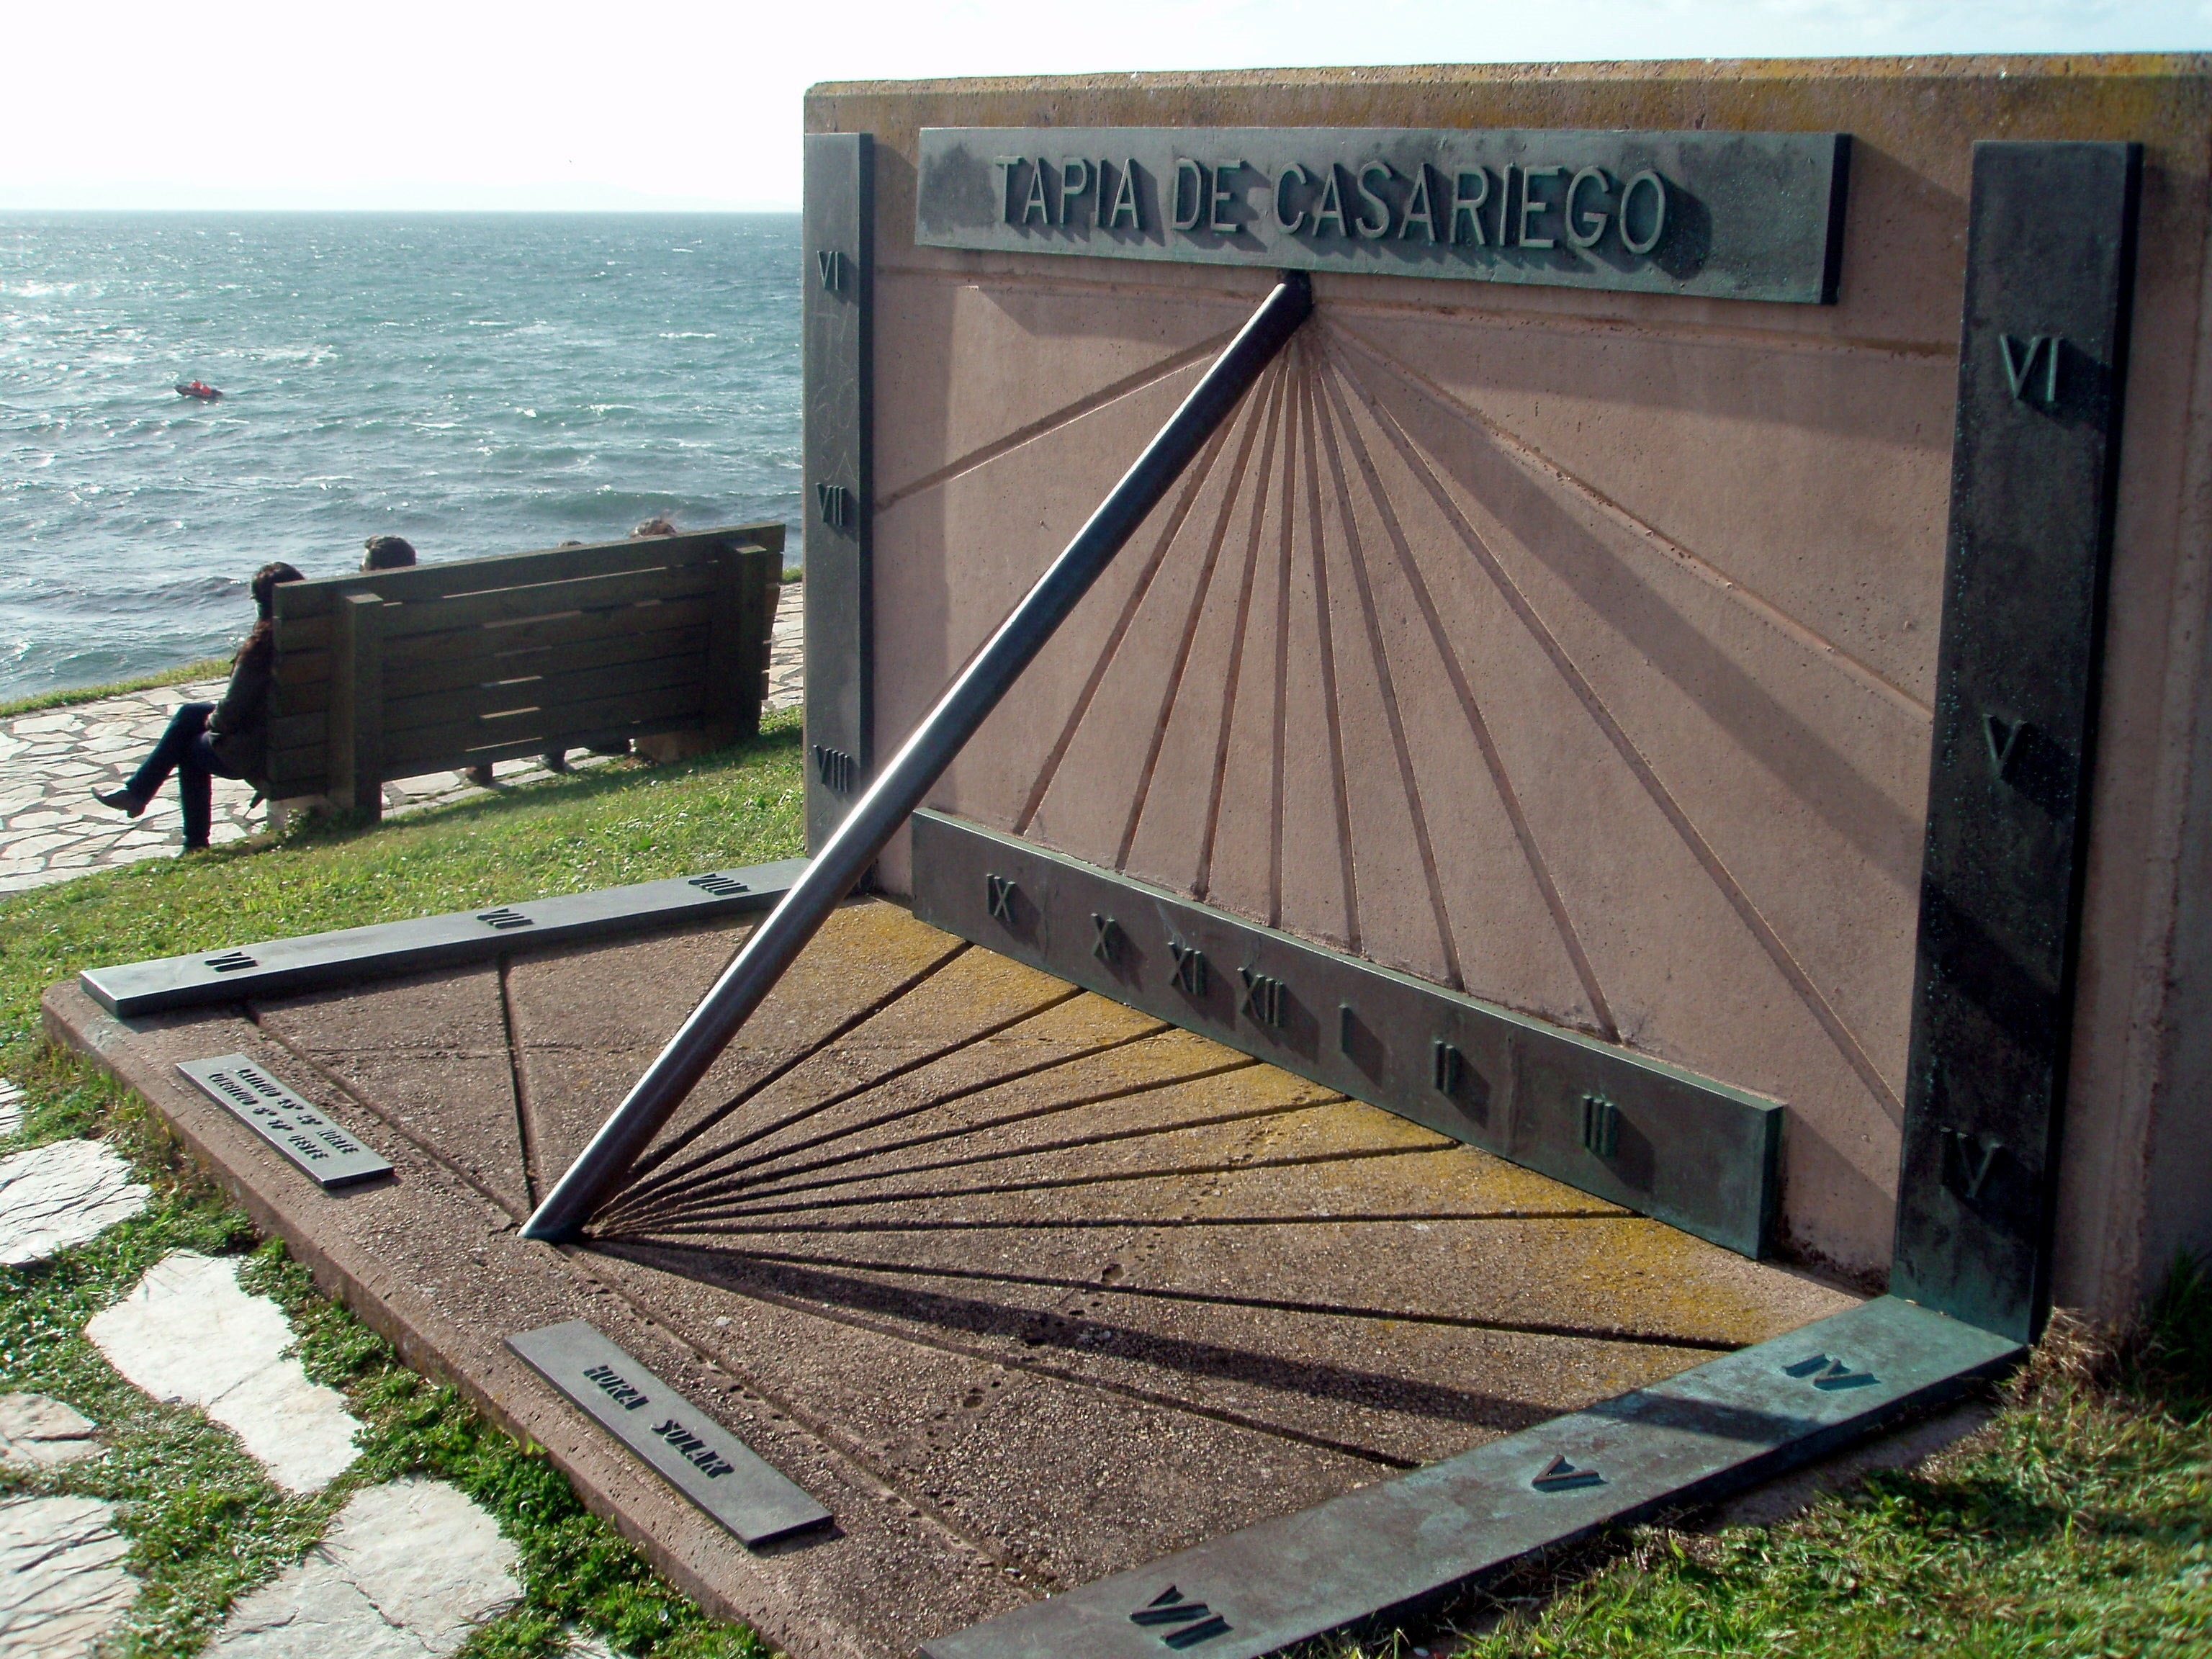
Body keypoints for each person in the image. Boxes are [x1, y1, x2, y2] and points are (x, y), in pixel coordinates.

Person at [94, 561, 303, 850]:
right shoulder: (319, 637)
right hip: (304, 738)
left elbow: (229, 716)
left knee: (190, 746)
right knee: (189, 714)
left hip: (266, 747)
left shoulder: (263, 648)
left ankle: (192, 840)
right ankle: (137, 791)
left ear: (263, 604)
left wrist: (214, 725)